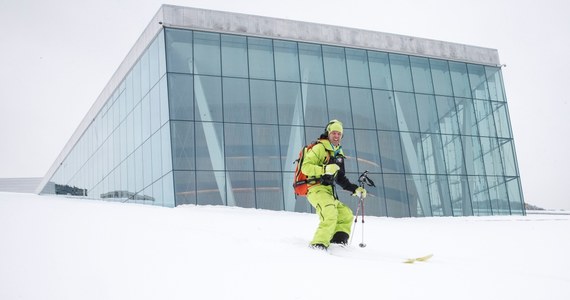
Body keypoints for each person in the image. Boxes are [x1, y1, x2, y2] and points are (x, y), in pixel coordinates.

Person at [301, 119, 367, 250]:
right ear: (328, 133)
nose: (336, 136)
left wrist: (355, 189)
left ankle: (338, 244)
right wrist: (324, 169)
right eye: (334, 133)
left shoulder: (338, 153)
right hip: (315, 189)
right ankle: (318, 246)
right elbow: (305, 168)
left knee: (345, 214)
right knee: (330, 213)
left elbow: (340, 178)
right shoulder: (319, 147)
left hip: (328, 191)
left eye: (339, 134)